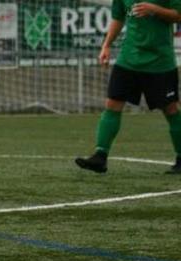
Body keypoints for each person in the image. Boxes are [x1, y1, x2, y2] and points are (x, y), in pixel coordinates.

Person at [75, 0, 181, 175]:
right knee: (112, 104)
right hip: (128, 59)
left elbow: (178, 15)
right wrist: (106, 45)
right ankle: (100, 156)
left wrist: (155, 10)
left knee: (171, 109)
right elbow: (118, 17)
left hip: (160, 61)